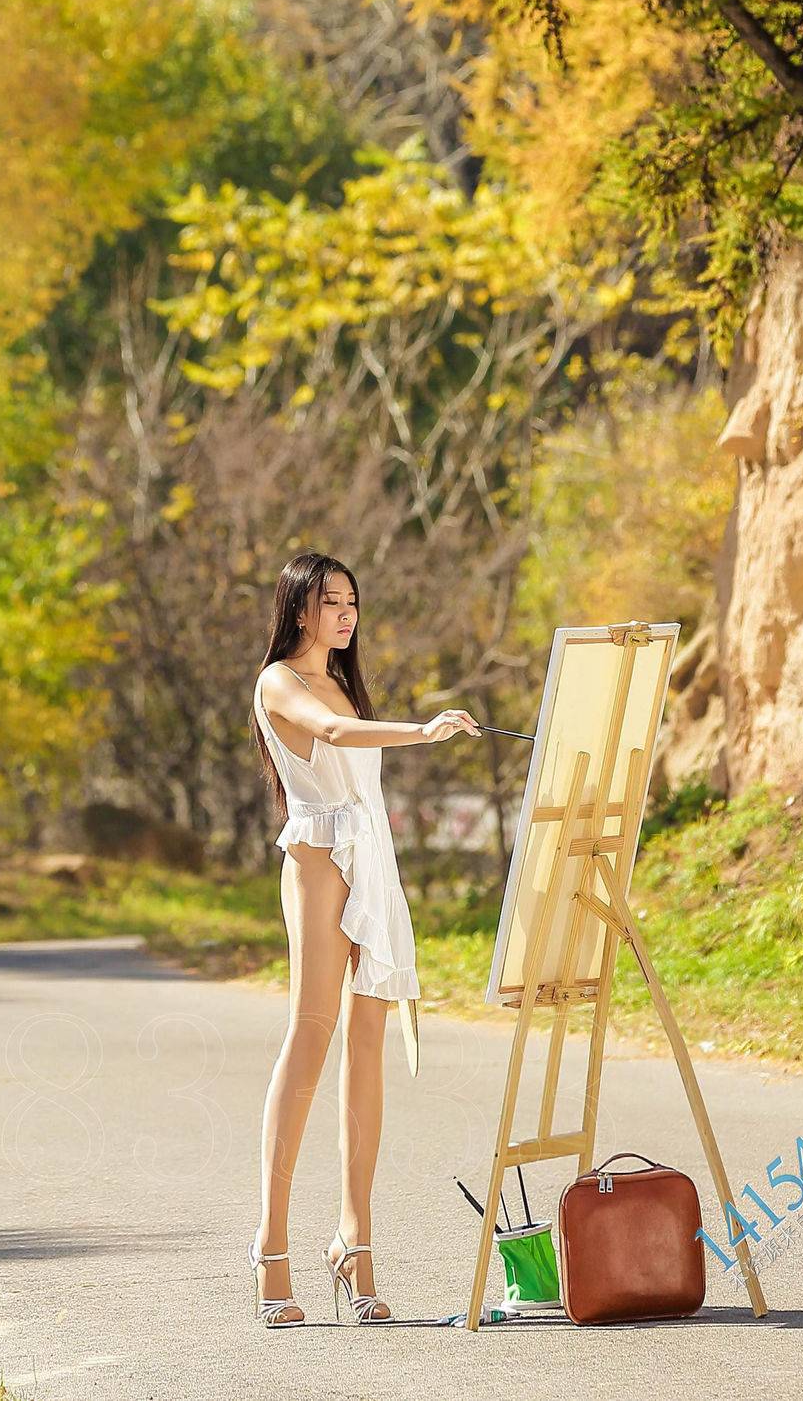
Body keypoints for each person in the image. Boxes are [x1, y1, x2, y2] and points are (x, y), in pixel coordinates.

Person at [247, 550, 478, 1328]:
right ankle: (271, 1247)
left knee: (369, 1044)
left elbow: (352, 739)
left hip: (371, 859)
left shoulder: (346, 677)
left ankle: (355, 1240)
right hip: (319, 862)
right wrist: (423, 728)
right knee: (310, 1035)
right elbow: (334, 735)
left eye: (352, 602)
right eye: (331, 602)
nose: (346, 615)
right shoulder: (280, 679)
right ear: (299, 609)